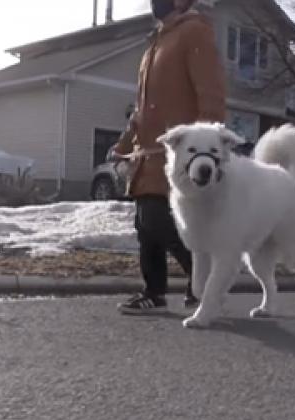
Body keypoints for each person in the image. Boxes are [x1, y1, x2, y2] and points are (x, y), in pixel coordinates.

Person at [112, 0, 226, 312]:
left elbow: (211, 96)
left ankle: (205, 280)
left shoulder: (194, 32)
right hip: (147, 156)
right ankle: (155, 293)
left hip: (181, 155)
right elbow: (141, 112)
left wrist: (206, 150)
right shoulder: (156, 43)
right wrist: (123, 146)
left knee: (158, 220)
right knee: (145, 224)